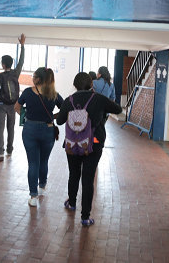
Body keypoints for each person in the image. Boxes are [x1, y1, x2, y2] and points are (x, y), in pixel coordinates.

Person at [57, 72, 122, 226]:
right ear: (92, 85)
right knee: (88, 178)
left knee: (74, 173)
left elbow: (59, 121)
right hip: (94, 142)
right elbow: (118, 109)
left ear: (75, 85)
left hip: (73, 143)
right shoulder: (99, 99)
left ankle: (71, 202)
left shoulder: (69, 100)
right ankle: (85, 217)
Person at [15, 67, 63, 207]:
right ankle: (42, 187)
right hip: (48, 129)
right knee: (44, 161)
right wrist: (52, 117)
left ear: (38, 79)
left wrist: (26, 116)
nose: (32, 78)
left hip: (30, 129)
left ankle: (33, 196)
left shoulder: (28, 92)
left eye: (33, 76)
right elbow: (65, 108)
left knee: (33, 163)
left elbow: (17, 107)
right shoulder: (53, 94)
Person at [0, 34, 26, 162]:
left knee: (0, 128)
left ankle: (0, 152)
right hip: (13, 104)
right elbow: (21, 61)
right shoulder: (16, 73)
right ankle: (9, 150)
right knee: (10, 128)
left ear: (3, 64)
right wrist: (22, 45)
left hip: (1, 104)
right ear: (11, 64)